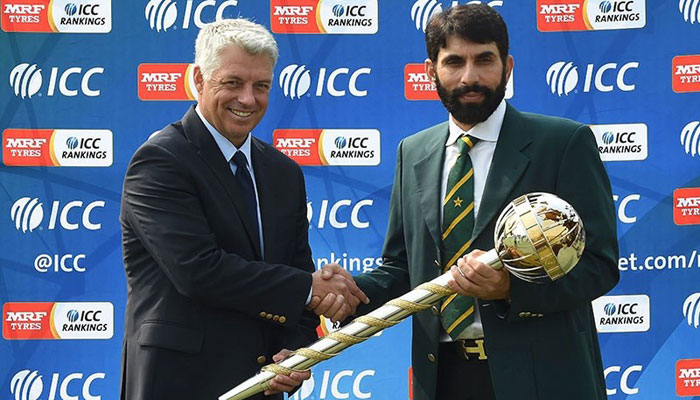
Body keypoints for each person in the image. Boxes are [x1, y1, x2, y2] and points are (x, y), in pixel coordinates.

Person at [318, 4, 619, 400]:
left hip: (544, 379)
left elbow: (599, 265)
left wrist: (510, 289)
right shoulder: (413, 152)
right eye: (454, 61)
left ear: (507, 66)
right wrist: (351, 293)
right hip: (443, 378)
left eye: (484, 60)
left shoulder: (563, 144)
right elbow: (403, 268)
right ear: (431, 71)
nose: (469, 77)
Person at [119, 18, 367, 400]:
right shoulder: (160, 160)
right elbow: (199, 271)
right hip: (177, 384)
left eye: (261, 86)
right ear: (199, 79)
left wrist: (297, 350)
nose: (248, 99)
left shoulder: (283, 173)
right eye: (232, 83)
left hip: (262, 387)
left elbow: (294, 272)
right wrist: (310, 288)